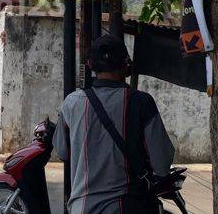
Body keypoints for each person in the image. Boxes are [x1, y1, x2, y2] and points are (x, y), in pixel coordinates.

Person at [53, 34, 174, 214]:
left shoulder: (72, 103)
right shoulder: (141, 103)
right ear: (126, 64)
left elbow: (62, 152)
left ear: (90, 65)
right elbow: (162, 163)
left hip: (81, 208)